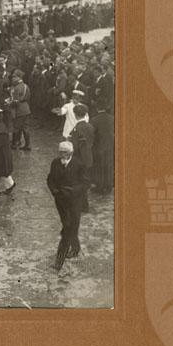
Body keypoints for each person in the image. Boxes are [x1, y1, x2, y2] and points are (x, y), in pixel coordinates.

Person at [46, 141, 88, 271]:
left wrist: (73, 191)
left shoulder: (79, 164)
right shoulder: (55, 163)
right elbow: (50, 179)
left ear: (71, 153)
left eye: (65, 152)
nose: (62, 155)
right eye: (60, 152)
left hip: (75, 202)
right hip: (61, 201)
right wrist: (54, 191)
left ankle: (59, 262)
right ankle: (75, 248)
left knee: (67, 230)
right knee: (69, 226)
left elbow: (86, 183)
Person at [69, 103, 95, 212]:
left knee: (78, 182)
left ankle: (83, 205)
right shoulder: (90, 126)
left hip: (79, 158)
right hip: (88, 157)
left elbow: (75, 146)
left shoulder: (77, 129)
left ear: (75, 115)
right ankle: (84, 204)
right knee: (85, 180)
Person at [90, 100, 114, 194]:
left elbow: (92, 134)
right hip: (110, 145)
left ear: (97, 108)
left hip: (98, 146)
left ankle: (100, 186)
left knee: (99, 166)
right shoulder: (112, 118)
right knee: (109, 165)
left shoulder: (94, 120)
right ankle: (109, 186)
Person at [9, 72, 32, 151]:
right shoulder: (26, 86)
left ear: (18, 78)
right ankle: (28, 145)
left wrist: (10, 103)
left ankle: (15, 144)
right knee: (26, 128)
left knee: (16, 127)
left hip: (19, 110)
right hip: (26, 109)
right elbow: (28, 97)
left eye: (14, 77)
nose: (12, 79)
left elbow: (16, 102)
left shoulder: (16, 88)